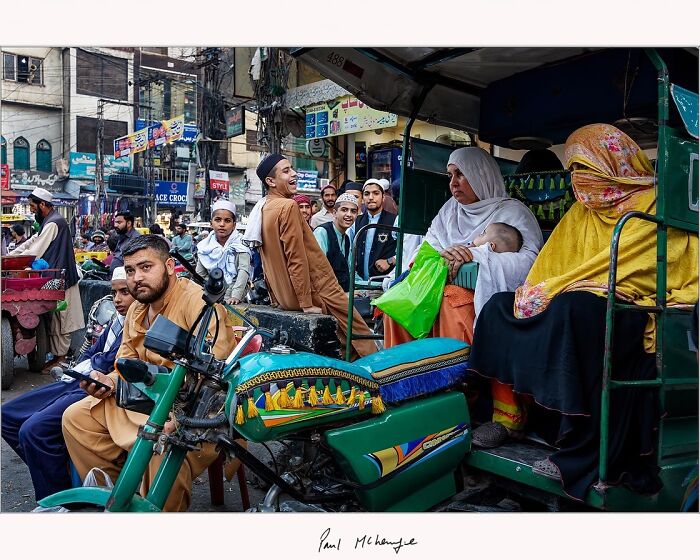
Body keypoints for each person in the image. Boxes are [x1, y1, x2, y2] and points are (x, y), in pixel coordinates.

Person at [467, 124, 698, 501]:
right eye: (572, 170)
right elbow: (554, 264)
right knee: (498, 307)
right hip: (580, 293)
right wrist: (538, 292)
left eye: (584, 169)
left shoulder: (655, 202)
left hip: (634, 302)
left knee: (578, 309)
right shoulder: (581, 210)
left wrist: (579, 286)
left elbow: (668, 263)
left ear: (611, 165)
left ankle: (577, 447)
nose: (576, 180)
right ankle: (507, 417)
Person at [61, 235, 239, 511]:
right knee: (76, 419)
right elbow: (125, 363)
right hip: (142, 401)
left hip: (189, 412)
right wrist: (107, 380)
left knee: (160, 443)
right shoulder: (137, 310)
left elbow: (217, 371)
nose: (136, 278)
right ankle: (123, 496)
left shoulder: (198, 302)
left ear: (169, 266)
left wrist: (177, 416)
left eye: (146, 267)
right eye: (131, 270)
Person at [383, 146, 543, 413]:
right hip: (435, 285)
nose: (453, 183)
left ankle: (457, 397)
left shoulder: (513, 213)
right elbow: (425, 253)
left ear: (480, 175)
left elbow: (528, 263)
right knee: (397, 305)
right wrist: (447, 257)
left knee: (451, 305)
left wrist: (477, 256)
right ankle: (401, 385)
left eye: (461, 174)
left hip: (485, 293)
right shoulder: (449, 211)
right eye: (450, 175)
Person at [1, 268, 134, 501]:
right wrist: (80, 368)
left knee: (33, 431)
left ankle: (62, 500)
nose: (118, 300)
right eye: (115, 293)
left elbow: (111, 361)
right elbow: (92, 352)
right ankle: (53, 464)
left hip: (100, 388)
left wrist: (86, 367)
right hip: (77, 380)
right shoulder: (118, 320)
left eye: (125, 292)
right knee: (7, 416)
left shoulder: (142, 320)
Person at [244, 154, 377, 359]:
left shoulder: (264, 207)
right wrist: (306, 303)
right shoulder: (287, 206)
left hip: (286, 296)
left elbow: (267, 260)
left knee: (342, 345)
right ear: (270, 181)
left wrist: (276, 298)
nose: (294, 174)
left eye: (292, 169)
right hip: (320, 290)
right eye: (286, 171)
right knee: (361, 339)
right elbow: (295, 258)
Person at [10, 188, 85, 371]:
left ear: (43, 204)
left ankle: (60, 358)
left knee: (63, 318)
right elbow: (31, 243)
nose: (32, 209)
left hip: (62, 278)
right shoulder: (48, 222)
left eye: (33, 205)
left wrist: (16, 262)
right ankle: (56, 356)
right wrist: (9, 257)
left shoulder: (54, 223)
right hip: (53, 278)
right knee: (54, 317)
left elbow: (35, 250)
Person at [196, 199, 251, 304]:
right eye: (218, 220)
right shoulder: (204, 246)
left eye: (227, 221)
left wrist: (235, 296)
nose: (222, 224)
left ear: (234, 225)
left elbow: (243, 271)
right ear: (211, 223)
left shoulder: (241, 244)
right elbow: (200, 274)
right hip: (212, 290)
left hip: (234, 290)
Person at [313, 193, 362, 292]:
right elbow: (318, 269)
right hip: (327, 293)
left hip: (343, 293)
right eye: (344, 210)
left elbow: (350, 272)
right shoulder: (322, 232)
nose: (349, 214)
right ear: (335, 213)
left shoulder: (347, 239)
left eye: (353, 211)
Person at [352, 178, 397, 281]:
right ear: (363, 198)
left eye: (376, 193)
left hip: (385, 283)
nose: (371, 197)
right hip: (360, 284)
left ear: (383, 197)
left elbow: (406, 250)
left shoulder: (394, 220)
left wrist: (390, 261)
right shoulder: (356, 221)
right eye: (367, 194)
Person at [110, 211, 141, 276]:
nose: (115, 225)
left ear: (129, 223)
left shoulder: (136, 239)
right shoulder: (121, 236)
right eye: (115, 222)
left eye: (119, 222)